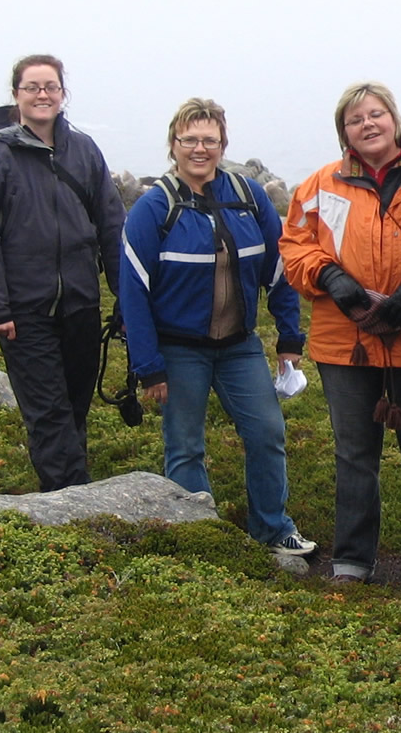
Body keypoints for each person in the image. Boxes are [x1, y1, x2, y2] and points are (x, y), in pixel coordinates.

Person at [279, 81, 401, 591]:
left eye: (376, 114)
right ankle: (352, 559)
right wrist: (330, 276)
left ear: (394, 118)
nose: (367, 124)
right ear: (343, 131)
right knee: (354, 455)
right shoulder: (320, 184)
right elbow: (294, 244)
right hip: (346, 339)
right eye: (355, 119)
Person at [118, 98, 314, 557]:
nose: (200, 149)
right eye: (190, 140)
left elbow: (279, 270)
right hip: (178, 350)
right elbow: (133, 292)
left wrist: (289, 337)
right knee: (185, 446)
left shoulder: (249, 196)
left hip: (239, 345)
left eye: (210, 140)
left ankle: (273, 528)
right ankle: (198, 536)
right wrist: (149, 366)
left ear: (223, 145)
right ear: (173, 144)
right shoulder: (154, 207)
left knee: (267, 432)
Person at [0, 54, 124, 492]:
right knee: (48, 412)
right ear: (16, 95)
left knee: (74, 406)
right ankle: (70, 500)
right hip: (24, 312)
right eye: (32, 87)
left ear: (62, 94)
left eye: (50, 87)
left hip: (81, 305)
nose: (42, 95)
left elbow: (112, 226)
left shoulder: (84, 151)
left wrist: (125, 297)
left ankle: (69, 493)